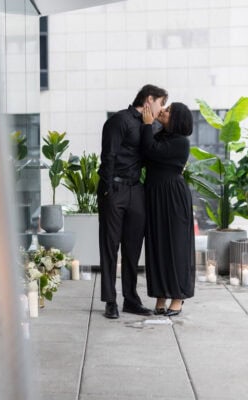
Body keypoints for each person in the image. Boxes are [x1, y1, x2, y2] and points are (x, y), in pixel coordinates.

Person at [98, 84, 168, 319]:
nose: (162, 108)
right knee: (110, 247)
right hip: (115, 189)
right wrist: (107, 191)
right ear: (149, 99)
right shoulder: (119, 120)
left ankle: (130, 300)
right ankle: (110, 300)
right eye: (161, 103)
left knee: (133, 248)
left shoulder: (153, 125)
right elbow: (108, 155)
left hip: (136, 191)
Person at [141, 102, 195, 316]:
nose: (163, 110)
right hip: (155, 195)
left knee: (176, 246)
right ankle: (161, 295)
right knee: (157, 245)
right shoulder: (160, 136)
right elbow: (144, 153)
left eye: (169, 110)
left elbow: (151, 151)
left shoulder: (181, 142)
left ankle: (178, 297)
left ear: (178, 118)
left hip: (172, 197)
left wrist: (147, 124)